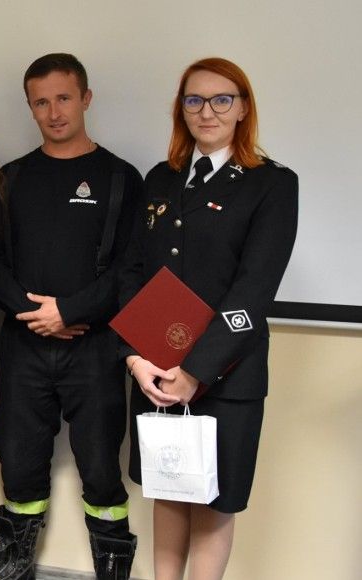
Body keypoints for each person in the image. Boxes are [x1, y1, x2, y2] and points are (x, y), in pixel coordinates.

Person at [120, 57, 298, 580]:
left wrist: (195, 371)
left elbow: (254, 290)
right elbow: (133, 273)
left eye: (222, 99)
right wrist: (135, 357)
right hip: (155, 369)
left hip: (227, 374)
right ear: (181, 109)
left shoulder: (271, 184)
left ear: (243, 108)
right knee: (169, 493)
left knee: (214, 500)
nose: (207, 111)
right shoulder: (161, 178)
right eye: (194, 100)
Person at [0, 53, 143, 580]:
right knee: (18, 461)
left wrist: (71, 311)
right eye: (41, 102)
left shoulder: (121, 178)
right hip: (23, 344)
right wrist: (36, 314)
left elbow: (131, 271)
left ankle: (112, 566)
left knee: (100, 466)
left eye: (64, 98)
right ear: (30, 107)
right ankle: (14, 562)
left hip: (95, 348)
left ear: (86, 99)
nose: (53, 112)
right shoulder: (10, 178)